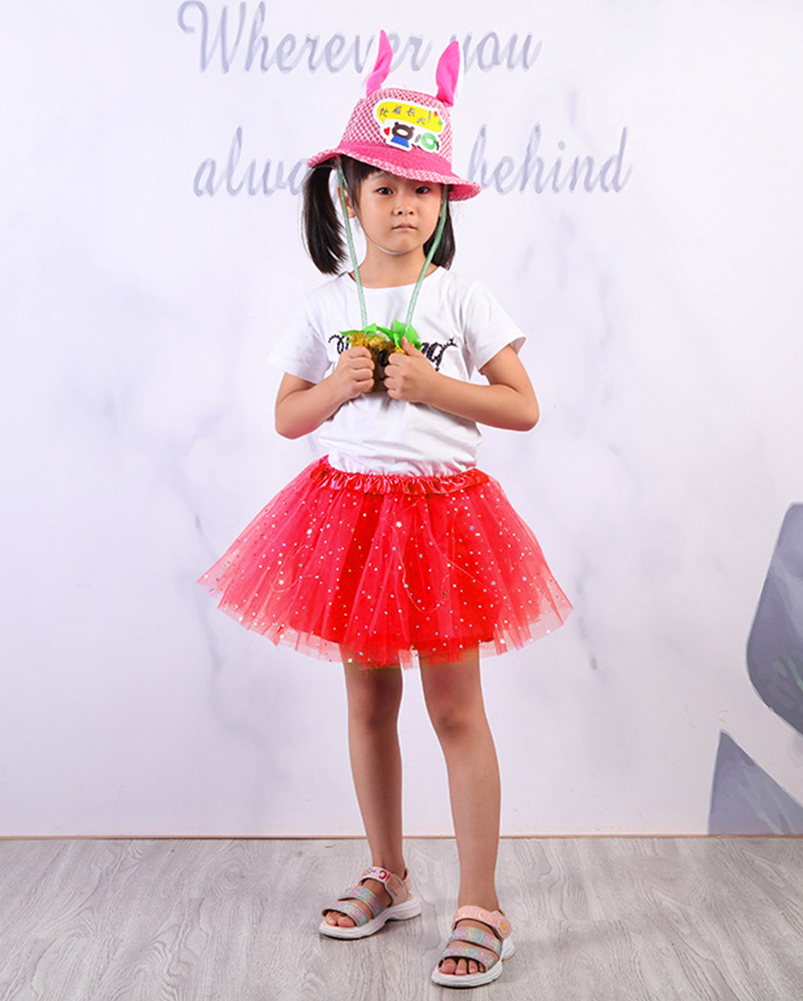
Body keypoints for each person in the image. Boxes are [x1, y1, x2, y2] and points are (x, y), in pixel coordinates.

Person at [199, 32, 572, 988]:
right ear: (349, 197)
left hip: (444, 525)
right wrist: (338, 387)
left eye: (422, 190)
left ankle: (481, 900)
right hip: (351, 525)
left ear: (443, 204)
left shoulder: (463, 299)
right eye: (384, 187)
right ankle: (389, 872)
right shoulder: (326, 303)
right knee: (368, 699)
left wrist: (432, 386)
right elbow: (287, 416)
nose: (404, 205)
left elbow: (522, 405)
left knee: (455, 708)